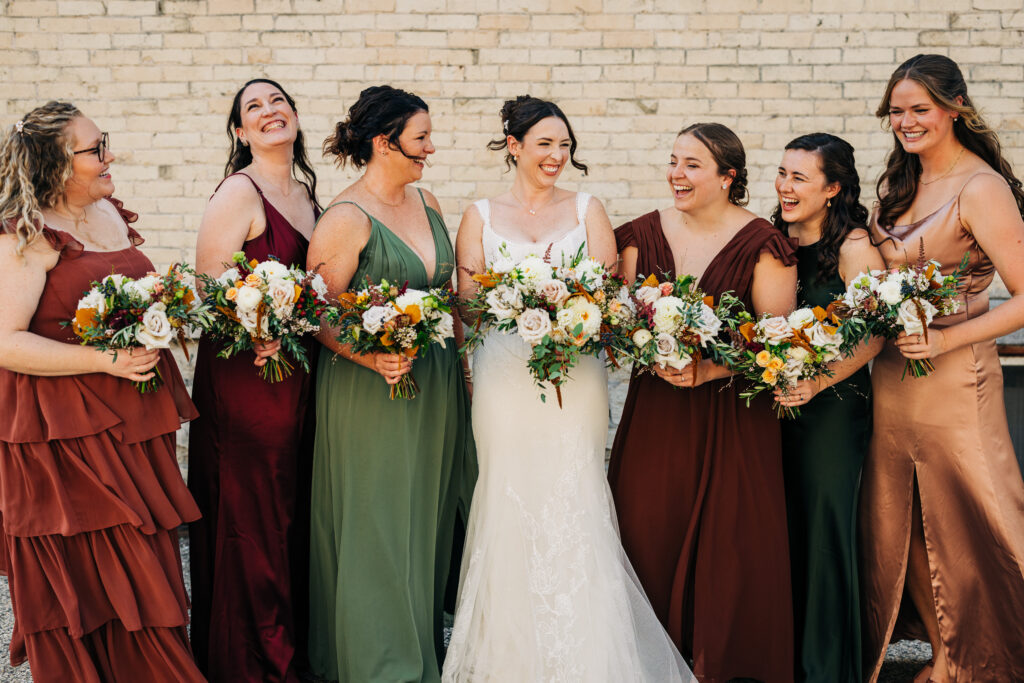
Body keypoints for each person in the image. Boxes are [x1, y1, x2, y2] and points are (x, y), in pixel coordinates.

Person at [442, 96, 694, 682]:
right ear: (514, 147)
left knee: (573, 492)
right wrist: (512, 310)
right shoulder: (479, 214)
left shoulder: (588, 210)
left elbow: (608, 302)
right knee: (507, 496)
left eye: (565, 146)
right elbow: (469, 308)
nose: (557, 156)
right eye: (545, 145)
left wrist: (563, 308)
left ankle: (590, 657)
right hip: (503, 380)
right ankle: (510, 658)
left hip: (574, 377)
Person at [0, 101, 204, 681]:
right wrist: (104, 358)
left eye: (104, 141)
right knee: (101, 575)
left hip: (133, 423)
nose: (109, 156)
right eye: (94, 150)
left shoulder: (110, 213)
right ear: (55, 166)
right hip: (63, 436)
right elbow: (5, 342)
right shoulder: (28, 236)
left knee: (154, 567)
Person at [608, 122, 797, 683]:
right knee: (645, 524)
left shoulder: (763, 244)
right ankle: (649, 661)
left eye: (692, 165)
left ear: (726, 177)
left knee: (732, 541)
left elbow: (779, 340)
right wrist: (641, 345)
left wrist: (710, 367)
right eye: (673, 161)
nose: (676, 174)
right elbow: (616, 320)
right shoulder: (640, 235)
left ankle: (725, 664)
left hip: (735, 416)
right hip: (657, 411)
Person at [861, 53, 1024, 683]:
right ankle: (947, 654)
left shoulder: (981, 188)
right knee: (906, 522)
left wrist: (949, 343)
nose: (905, 121)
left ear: (954, 108)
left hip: (956, 380)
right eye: (897, 110)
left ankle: (999, 655)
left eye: (919, 109)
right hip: (894, 380)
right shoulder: (898, 183)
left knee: (977, 516)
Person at [305, 85, 475, 683]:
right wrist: (370, 356)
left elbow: (449, 296)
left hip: (434, 381)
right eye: (421, 138)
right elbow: (316, 313)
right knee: (377, 518)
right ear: (385, 142)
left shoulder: (426, 199)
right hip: (369, 385)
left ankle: (417, 651)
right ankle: (378, 665)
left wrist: (465, 370)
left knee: (424, 519)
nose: (431, 148)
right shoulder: (345, 220)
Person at [187, 78, 319, 682]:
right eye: (254, 108)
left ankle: (290, 645)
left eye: (278, 101)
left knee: (291, 505)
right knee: (255, 510)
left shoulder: (307, 194)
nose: (270, 112)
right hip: (249, 371)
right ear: (240, 132)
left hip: (297, 370)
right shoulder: (240, 192)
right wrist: (259, 324)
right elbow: (208, 286)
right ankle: (254, 664)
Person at [770, 133, 885, 682]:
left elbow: (875, 336)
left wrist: (815, 384)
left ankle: (826, 666)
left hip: (832, 408)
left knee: (823, 527)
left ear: (833, 188)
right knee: (779, 522)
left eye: (799, 178)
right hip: (772, 402)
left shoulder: (854, 249)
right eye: (782, 174)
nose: (784, 187)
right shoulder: (771, 241)